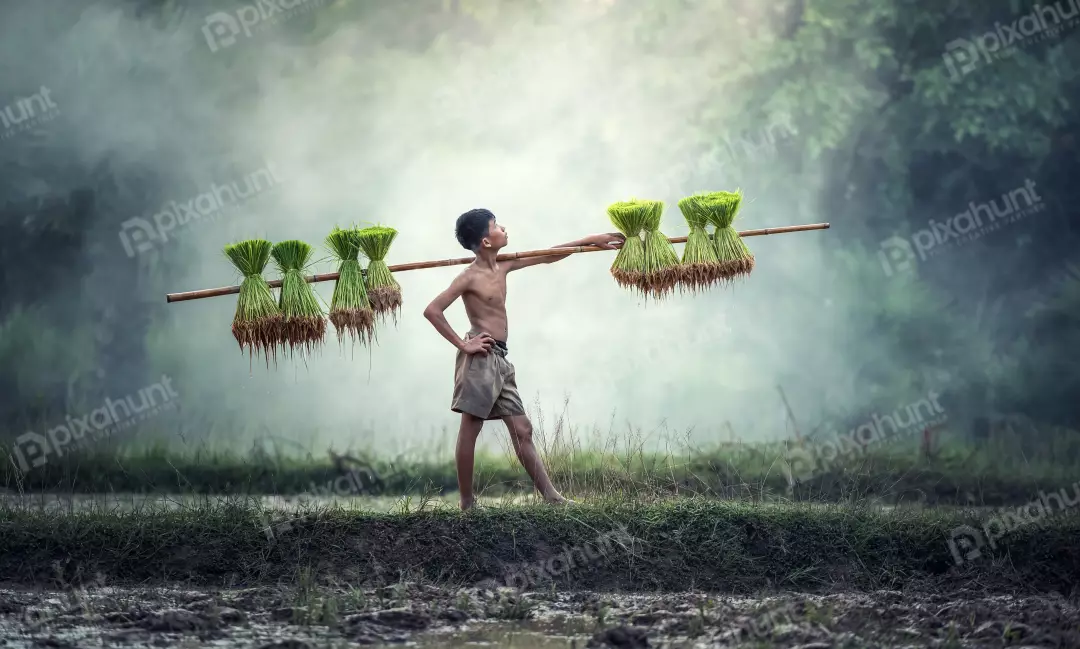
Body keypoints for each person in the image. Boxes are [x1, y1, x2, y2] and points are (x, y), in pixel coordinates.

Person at [423, 208, 624, 510]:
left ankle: (552, 498)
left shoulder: (503, 265)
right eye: (496, 225)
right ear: (486, 241)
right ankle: (467, 503)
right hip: (480, 358)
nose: (503, 228)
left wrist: (593, 240)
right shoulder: (468, 278)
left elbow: (549, 255)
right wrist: (465, 346)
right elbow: (433, 311)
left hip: (501, 359)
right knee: (471, 426)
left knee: (522, 429)